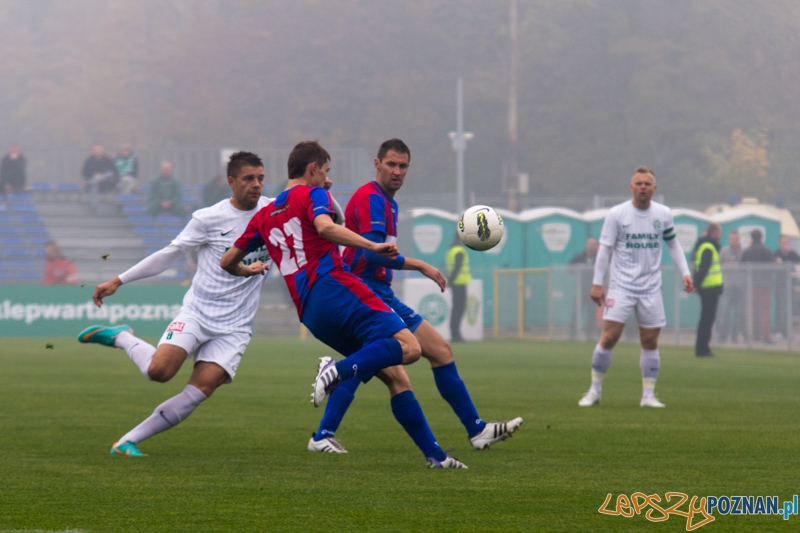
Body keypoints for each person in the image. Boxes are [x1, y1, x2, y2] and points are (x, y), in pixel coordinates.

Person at [221, 140, 467, 469]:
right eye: (325, 171)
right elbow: (324, 227)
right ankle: (334, 370)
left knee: (396, 377)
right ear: (313, 170)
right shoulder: (313, 194)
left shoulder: (264, 215)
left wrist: (247, 269)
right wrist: (371, 245)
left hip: (310, 312)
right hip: (334, 286)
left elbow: (226, 261)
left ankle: (436, 457)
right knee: (410, 348)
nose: (327, 178)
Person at [307, 138, 522, 455]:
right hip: (365, 291)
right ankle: (324, 428)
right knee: (378, 364)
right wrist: (419, 264)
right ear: (377, 164)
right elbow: (374, 256)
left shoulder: (387, 201)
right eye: (391, 164)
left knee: (439, 350)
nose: (397, 171)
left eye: (403, 166)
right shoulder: (370, 199)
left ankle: (477, 431)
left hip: (380, 291)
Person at [76, 151, 272, 457]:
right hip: (198, 313)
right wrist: (118, 280)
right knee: (159, 372)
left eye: (260, 178)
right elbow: (169, 254)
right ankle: (122, 336)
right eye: (248, 178)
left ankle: (127, 441)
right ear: (231, 182)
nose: (256, 185)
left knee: (199, 391)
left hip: (235, 327)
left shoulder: (275, 213)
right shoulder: (208, 218)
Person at [578, 167, 693, 408]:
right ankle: (594, 390)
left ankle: (648, 395)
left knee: (650, 341)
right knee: (609, 337)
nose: (643, 187)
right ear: (631, 187)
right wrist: (597, 283)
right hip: (621, 287)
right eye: (639, 183)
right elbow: (604, 250)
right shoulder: (617, 214)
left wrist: (685, 272)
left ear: (654, 188)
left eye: (647, 184)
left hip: (651, 288)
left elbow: (673, 245)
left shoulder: (663, 214)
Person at [692, 223, 723, 356]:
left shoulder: (705, 246)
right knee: (707, 320)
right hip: (709, 289)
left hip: (708, 288)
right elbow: (704, 269)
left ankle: (702, 347)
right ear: (714, 232)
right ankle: (702, 349)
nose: (720, 235)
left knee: (707, 319)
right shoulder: (708, 247)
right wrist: (696, 285)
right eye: (719, 232)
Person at [741, 228, 775, 344]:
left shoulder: (747, 252)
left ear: (751, 238)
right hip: (764, 286)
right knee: (765, 312)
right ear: (761, 237)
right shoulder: (766, 251)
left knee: (750, 312)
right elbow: (773, 267)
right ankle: (766, 337)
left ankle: (749, 336)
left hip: (750, 287)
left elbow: (741, 268)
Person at [569, 237, 600, 340]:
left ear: (596, 246)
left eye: (593, 244)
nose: (591, 246)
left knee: (591, 313)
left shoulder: (600, 258)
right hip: (581, 291)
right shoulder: (579, 258)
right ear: (586, 245)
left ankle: (590, 335)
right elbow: (569, 268)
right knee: (577, 312)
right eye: (589, 244)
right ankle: (572, 334)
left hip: (593, 291)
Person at [717, 229, 745, 344]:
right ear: (729, 240)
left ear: (739, 239)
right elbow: (717, 265)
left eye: (736, 239)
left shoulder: (743, 252)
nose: (734, 241)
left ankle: (735, 336)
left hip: (739, 286)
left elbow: (748, 267)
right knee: (725, 312)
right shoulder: (724, 251)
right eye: (732, 239)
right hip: (727, 285)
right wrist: (727, 266)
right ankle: (722, 336)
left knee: (739, 313)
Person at [445, 233, 471, 343]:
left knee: (456, 309)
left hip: (456, 284)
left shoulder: (451, 250)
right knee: (459, 309)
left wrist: (450, 280)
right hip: (459, 284)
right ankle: (456, 334)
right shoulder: (459, 251)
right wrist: (450, 281)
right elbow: (457, 267)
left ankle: (454, 332)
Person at [773, 235, 800, 340]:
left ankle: (790, 331)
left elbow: (797, 261)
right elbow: (774, 265)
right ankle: (779, 331)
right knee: (780, 307)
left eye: (786, 242)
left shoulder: (792, 253)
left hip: (791, 284)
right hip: (780, 284)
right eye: (783, 242)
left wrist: (790, 253)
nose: (785, 244)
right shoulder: (777, 253)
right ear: (780, 243)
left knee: (792, 307)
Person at [82, 144, 119, 209]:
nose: (97, 151)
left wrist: (101, 175)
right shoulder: (89, 161)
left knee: (110, 173)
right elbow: (84, 173)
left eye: (99, 149)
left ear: (102, 150)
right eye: (95, 149)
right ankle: (94, 207)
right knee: (94, 183)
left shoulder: (108, 159)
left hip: (106, 183)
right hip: (96, 183)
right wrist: (93, 175)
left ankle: (91, 182)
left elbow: (114, 172)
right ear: (92, 151)